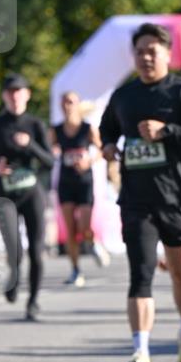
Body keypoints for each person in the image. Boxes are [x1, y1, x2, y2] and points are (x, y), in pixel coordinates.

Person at [100, 23, 181, 362]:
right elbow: (108, 129)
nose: (146, 57)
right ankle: (141, 352)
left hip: (178, 197)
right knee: (141, 274)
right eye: (140, 51)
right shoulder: (124, 96)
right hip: (136, 198)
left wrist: (167, 131)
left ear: (168, 54)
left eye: (153, 51)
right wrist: (107, 145)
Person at [0, 74, 54, 321]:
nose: (14, 96)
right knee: (15, 250)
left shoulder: (35, 125)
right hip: (5, 195)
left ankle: (33, 302)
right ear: (4, 96)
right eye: (10, 92)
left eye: (19, 91)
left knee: (36, 250)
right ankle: (14, 275)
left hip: (32, 193)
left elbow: (50, 162)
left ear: (27, 94)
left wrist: (30, 145)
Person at [49, 91, 108, 288]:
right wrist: (53, 152)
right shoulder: (56, 130)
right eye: (65, 102)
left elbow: (102, 150)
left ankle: (93, 243)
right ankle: (75, 270)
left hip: (84, 181)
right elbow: (48, 150)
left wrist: (89, 160)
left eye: (71, 102)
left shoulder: (88, 128)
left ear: (78, 104)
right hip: (66, 182)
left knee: (84, 226)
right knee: (70, 231)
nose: (68, 106)